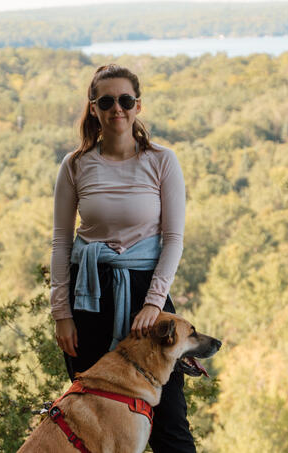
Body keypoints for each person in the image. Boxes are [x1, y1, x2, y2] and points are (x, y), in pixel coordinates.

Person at [50, 64, 194, 452]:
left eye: (126, 100)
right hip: (89, 297)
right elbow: (61, 242)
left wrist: (153, 302)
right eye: (107, 101)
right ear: (93, 108)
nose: (118, 108)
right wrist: (61, 314)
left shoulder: (162, 161)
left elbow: (174, 240)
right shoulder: (76, 164)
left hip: (148, 296)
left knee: (169, 424)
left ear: (138, 105)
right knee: (89, 419)